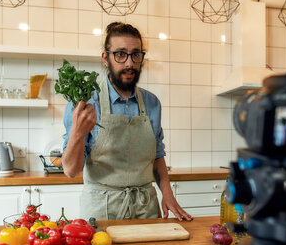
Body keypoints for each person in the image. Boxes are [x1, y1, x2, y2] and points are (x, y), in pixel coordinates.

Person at [62, 22, 193, 222]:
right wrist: (78, 133)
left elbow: (157, 154)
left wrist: (167, 193)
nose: (129, 63)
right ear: (106, 58)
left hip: (146, 209)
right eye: (120, 54)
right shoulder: (86, 104)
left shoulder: (152, 103)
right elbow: (71, 170)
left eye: (136, 54)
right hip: (101, 211)